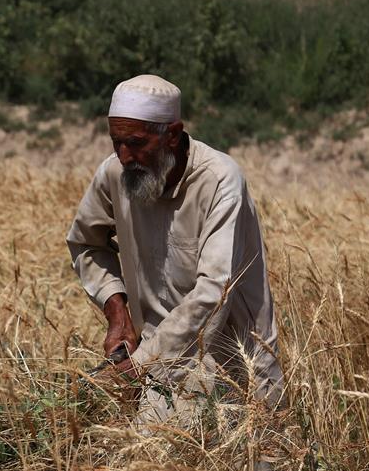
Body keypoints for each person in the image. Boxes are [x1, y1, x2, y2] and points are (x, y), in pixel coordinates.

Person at [67, 74, 286, 440]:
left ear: (172, 134)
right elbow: (86, 243)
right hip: (153, 366)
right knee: (147, 464)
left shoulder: (219, 180)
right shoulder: (115, 173)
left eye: (137, 143)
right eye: (117, 142)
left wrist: (140, 365)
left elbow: (214, 293)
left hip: (231, 363)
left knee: (248, 470)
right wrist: (117, 313)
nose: (125, 156)